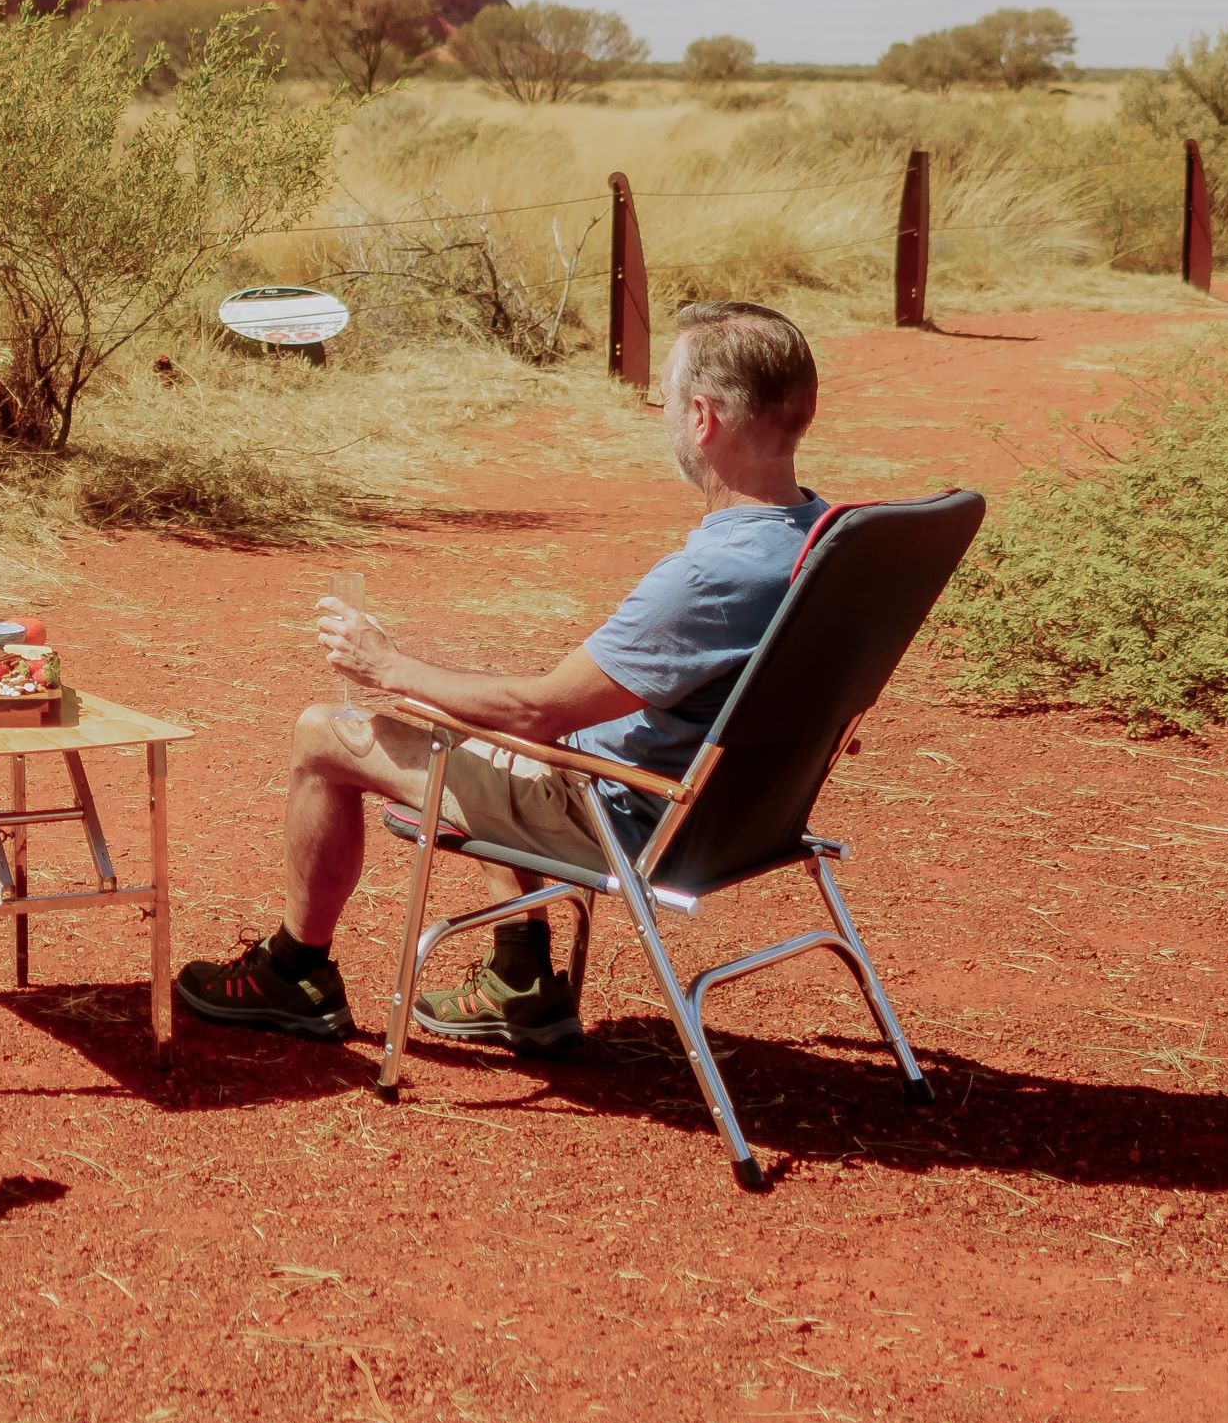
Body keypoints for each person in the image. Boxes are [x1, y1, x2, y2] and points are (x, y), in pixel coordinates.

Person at [174, 299, 830, 1054]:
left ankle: (294, 973)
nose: (667, 419)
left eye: (667, 401)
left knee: (326, 732)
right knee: (478, 700)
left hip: (625, 817)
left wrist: (385, 666)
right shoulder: (822, 541)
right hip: (745, 818)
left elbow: (533, 713)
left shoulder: (707, 576)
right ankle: (519, 976)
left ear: (703, 417)